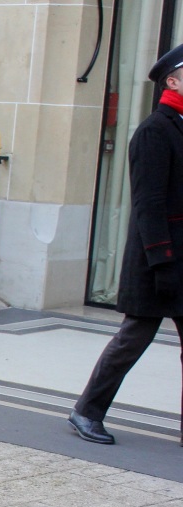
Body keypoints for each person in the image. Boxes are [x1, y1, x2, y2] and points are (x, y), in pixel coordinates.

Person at [70, 44, 183, 447]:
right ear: (172, 80)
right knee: (132, 340)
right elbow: (148, 204)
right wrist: (163, 261)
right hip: (160, 260)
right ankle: (86, 411)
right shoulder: (155, 130)